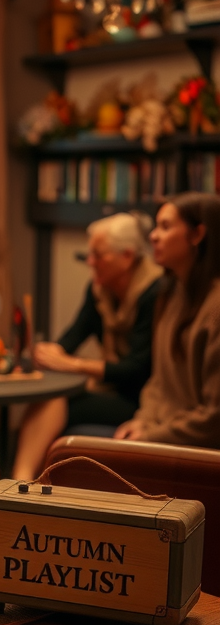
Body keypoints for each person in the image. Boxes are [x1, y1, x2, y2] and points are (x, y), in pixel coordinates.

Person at [12, 211, 162, 480]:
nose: (90, 262)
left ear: (127, 256)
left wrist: (74, 365)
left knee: (56, 400)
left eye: (98, 255)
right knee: (49, 395)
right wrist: (47, 353)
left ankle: (22, 481)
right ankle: (24, 482)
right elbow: (70, 340)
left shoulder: (154, 293)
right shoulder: (99, 290)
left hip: (141, 398)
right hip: (110, 389)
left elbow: (138, 370)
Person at [115, 192, 220, 448]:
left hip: (195, 452)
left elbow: (213, 419)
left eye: (165, 227)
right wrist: (142, 421)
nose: (153, 236)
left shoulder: (215, 309)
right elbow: (158, 382)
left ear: (197, 235)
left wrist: (148, 439)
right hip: (160, 435)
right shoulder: (170, 295)